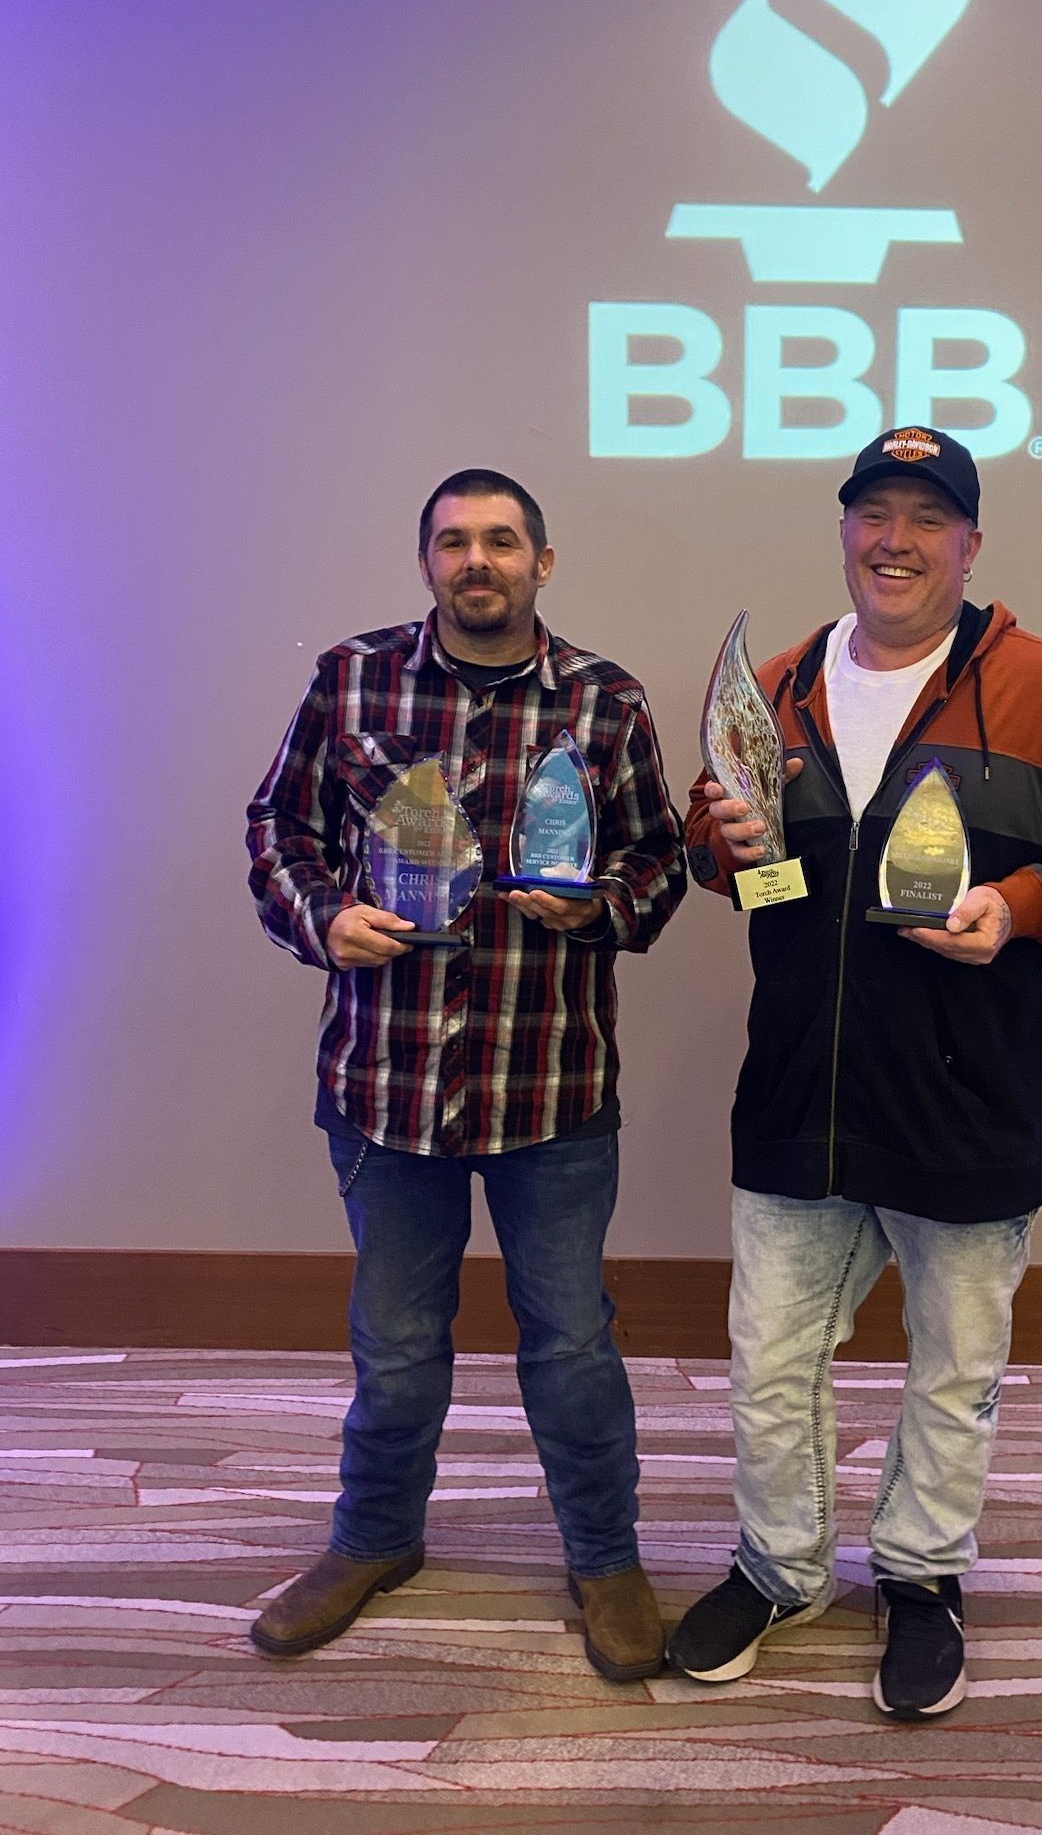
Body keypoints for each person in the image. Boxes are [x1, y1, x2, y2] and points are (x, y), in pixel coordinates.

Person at [669, 426, 1042, 1721]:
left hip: (972, 1097)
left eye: (924, 517)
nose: (892, 540)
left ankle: (920, 1575)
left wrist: (1022, 906)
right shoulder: (775, 687)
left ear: (970, 542)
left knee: (952, 1367)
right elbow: (732, 863)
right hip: (799, 1093)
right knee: (768, 1361)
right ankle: (779, 1568)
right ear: (842, 530)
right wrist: (718, 840)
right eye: (870, 513)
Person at [245, 467, 686, 1676]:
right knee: (394, 1342)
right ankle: (374, 1538)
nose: (475, 560)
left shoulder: (607, 701)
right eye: (453, 542)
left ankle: (605, 1556)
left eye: (501, 540)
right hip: (386, 1084)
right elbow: (276, 828)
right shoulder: (354, 677)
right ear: (427, 562)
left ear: (544, 562)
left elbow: (660, 859)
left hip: (550, 1083)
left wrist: (597, 909)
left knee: (573, 1342)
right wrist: (323, 918)